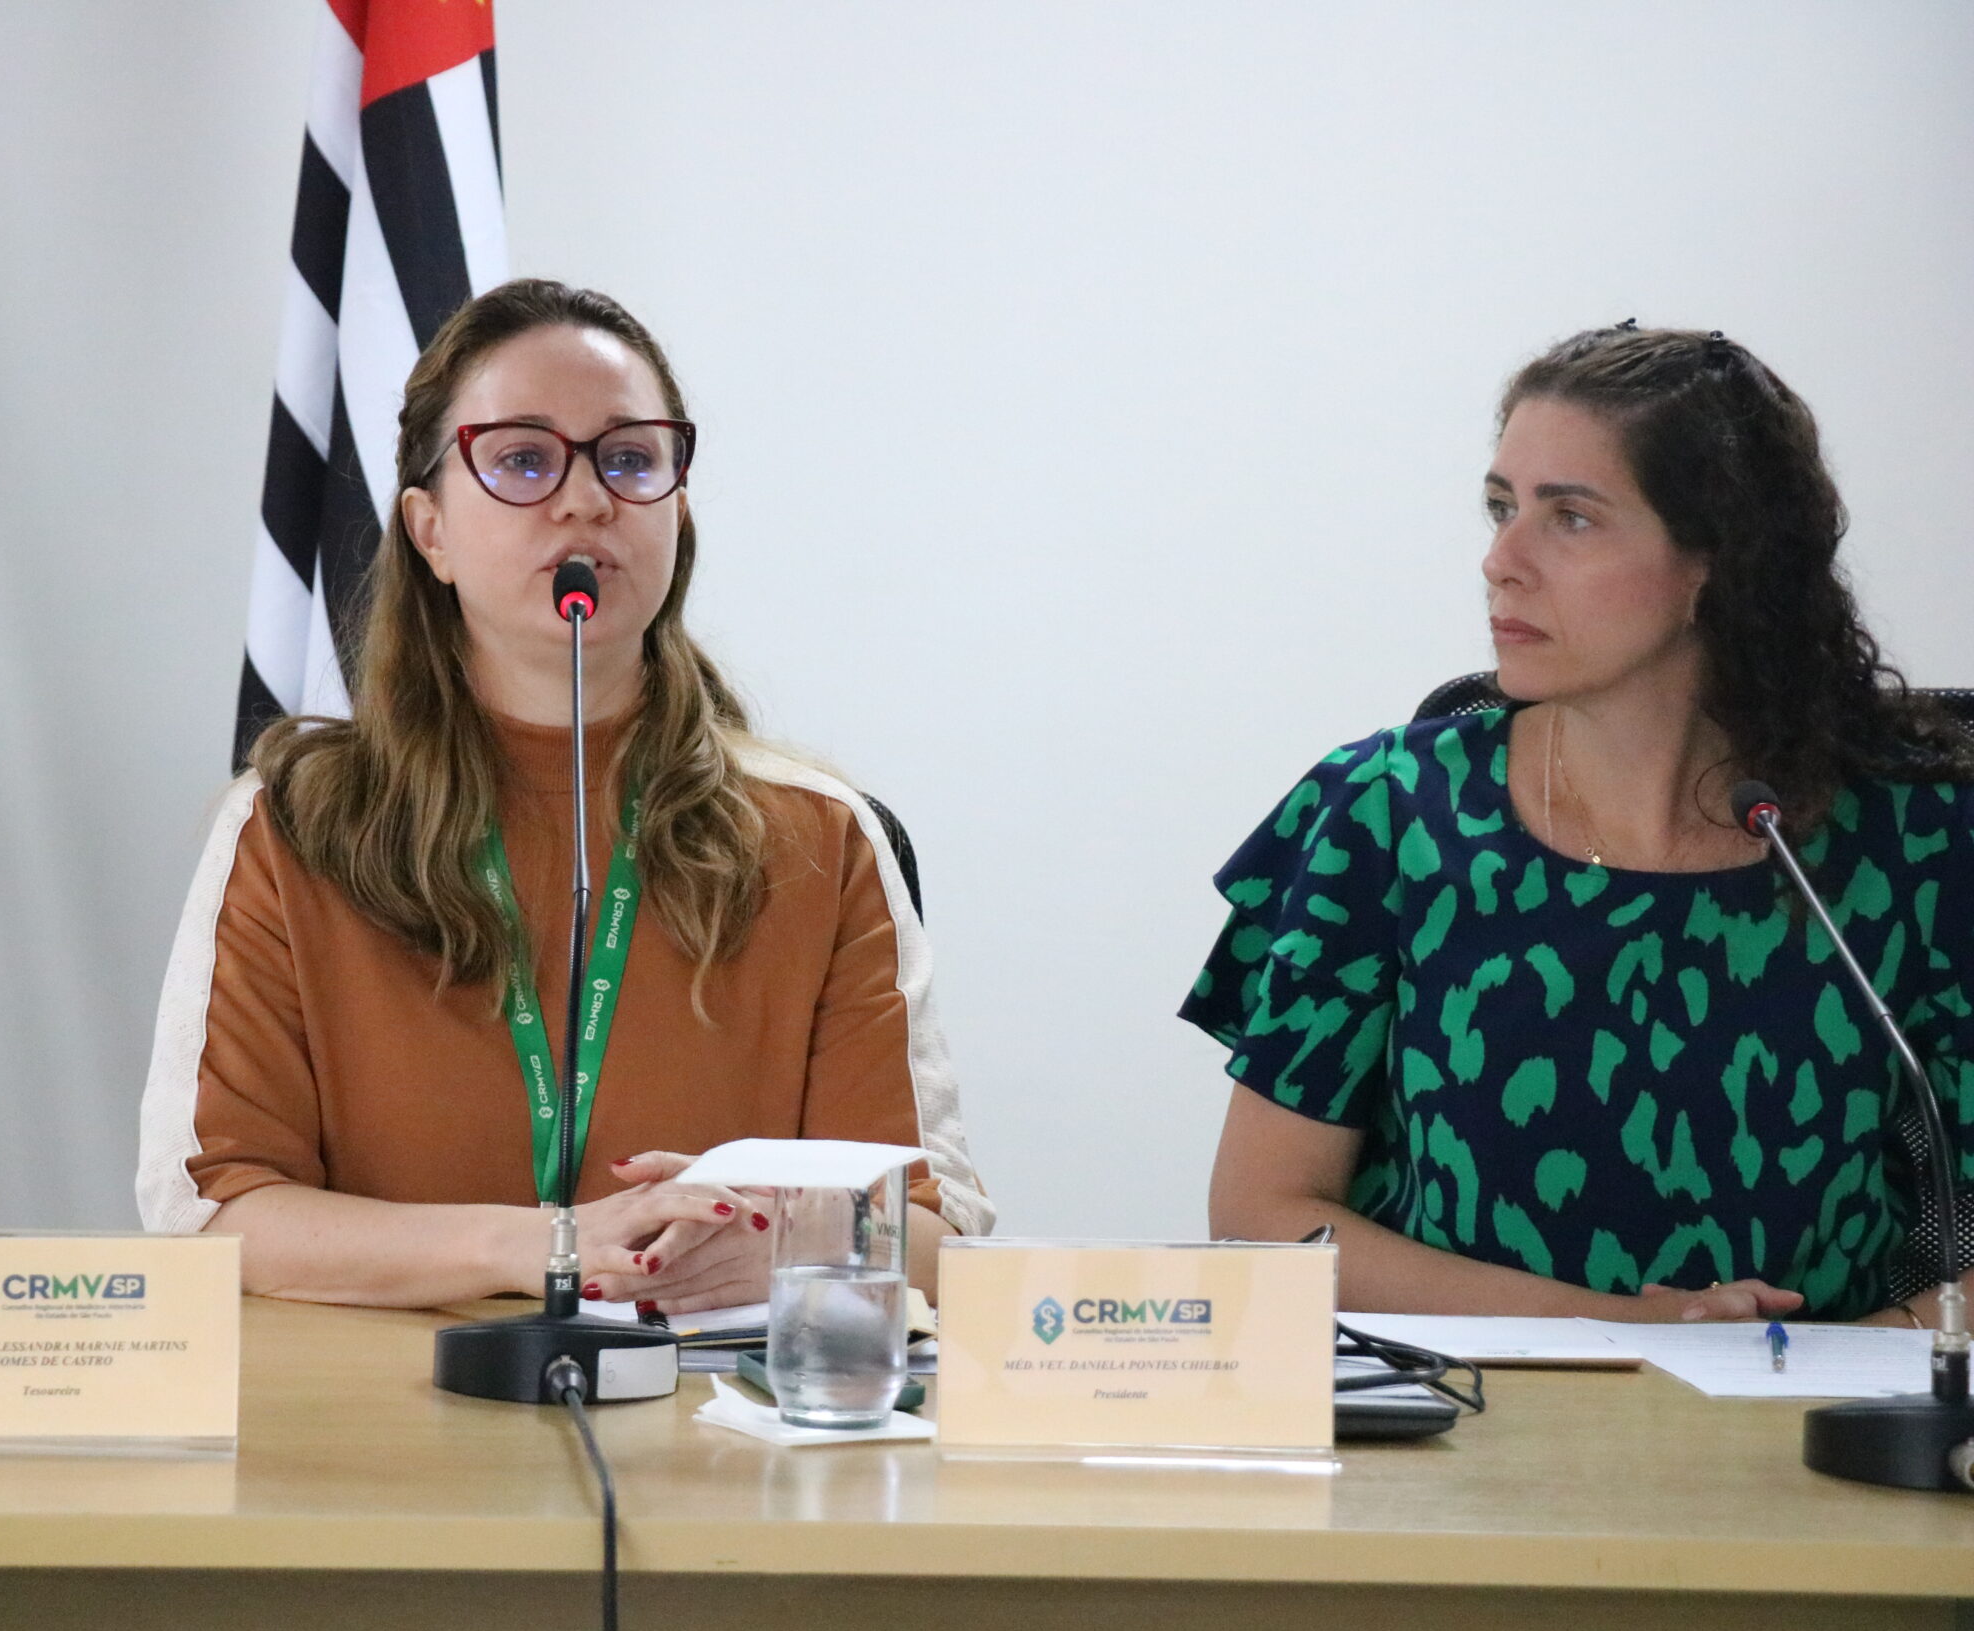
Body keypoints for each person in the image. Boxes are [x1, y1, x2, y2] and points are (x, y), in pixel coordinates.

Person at [138, 278, 989, 1312]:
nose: (586, 499)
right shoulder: (291, 829)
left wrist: (784, 1241)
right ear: (429, 530)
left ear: (677, 512)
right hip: (383, 1405)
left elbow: (935, 1233)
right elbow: (213, 1213)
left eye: (629, 460)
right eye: (523, 460)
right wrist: (546, 1244)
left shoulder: (820, 837)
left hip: (705, 1406)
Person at [1185, 323, 1973, 1325]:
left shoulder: (1917, 839)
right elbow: (1263, 1216)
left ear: (1716, 560)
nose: (1500, 561)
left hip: (1807, 1406)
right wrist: (1619, 1331)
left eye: (1570, 518)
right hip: (1472, 1402)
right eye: (1500, 507)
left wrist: (1862, 1361)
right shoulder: (1387, 812)